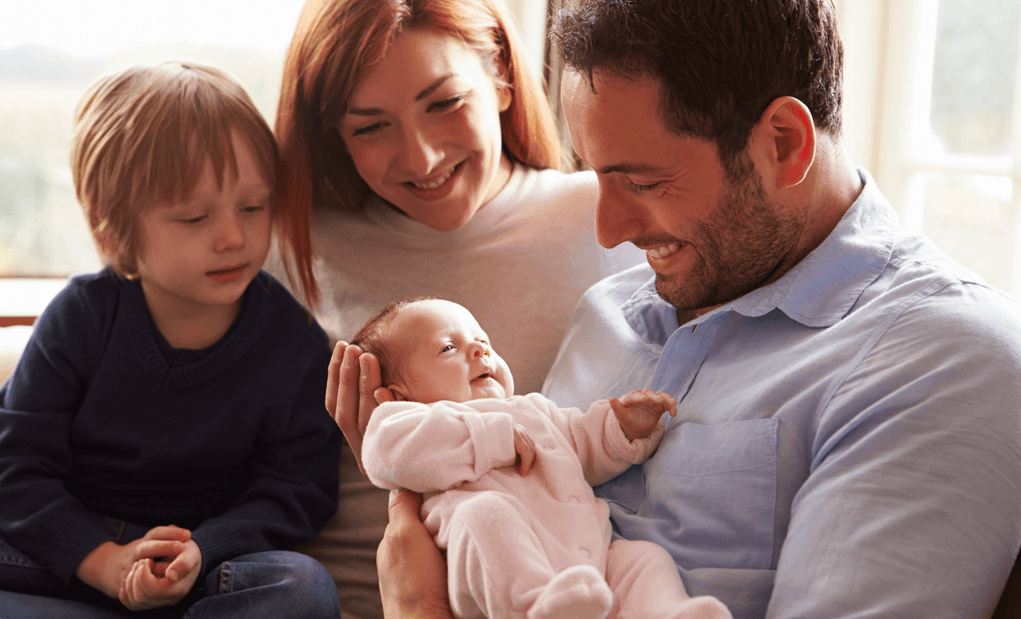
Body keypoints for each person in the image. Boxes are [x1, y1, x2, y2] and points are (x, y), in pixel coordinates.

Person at [0, 0, 645, 616]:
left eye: (445, 102)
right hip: (134, 553)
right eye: (370, 126)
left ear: (503, 77)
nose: (420, 157)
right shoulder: (287, 240)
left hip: (342, 578)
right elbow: (87, 381)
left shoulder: (606, 219)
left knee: (294, 588)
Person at [342, 0, 1021, 617]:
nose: (608, 232)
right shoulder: (609, 311)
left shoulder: (943, 359)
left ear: (783, 143)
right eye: (599, 176)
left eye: (643, 180)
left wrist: (419, 607)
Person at [0, 62, 342, 618]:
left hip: (202, 569)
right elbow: (14, 465)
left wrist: (201, 550)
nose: (234, 237)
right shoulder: (82, 316)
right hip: (65, 552)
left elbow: (298, 489)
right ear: (110, 228)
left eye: (253, 207)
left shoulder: (295, 342)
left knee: (301, 588)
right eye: (195, 217)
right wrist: (101, 563)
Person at [353, 298, 731, 619]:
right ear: (399, 395)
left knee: (642, 558)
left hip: (589, 557)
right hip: (490, 564)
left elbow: (582, 443)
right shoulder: (405, 421)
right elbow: (384, 453)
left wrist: (623, 428)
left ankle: (667, 611)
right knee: (485, 515)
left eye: (483, 341)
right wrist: (491, 437)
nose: (479, 351)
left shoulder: (535, 410)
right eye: (448, 348)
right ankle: (532, 605)